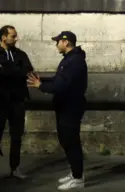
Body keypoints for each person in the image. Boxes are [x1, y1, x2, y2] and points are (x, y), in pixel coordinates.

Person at [27, 31, 88, 190]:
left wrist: (41, 86)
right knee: (66, 141)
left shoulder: (74, 61)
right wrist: (43, 80)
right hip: (65, 107)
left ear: (66, 42)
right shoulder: (69, 60)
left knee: (71, 142)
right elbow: (59, 80)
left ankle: (78, 178)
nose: (56, 45)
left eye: (58, 42)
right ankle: (75, 173)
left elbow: (62, 86)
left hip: (71, 107)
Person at [0, 26, 33, 179]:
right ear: (3, 37)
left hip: (17, 101)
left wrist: (7, 69)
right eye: (13, 36)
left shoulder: (20, 54)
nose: (16, 38)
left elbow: (28, 71)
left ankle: (15, 168)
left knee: (17, 136)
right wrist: (15, 71)